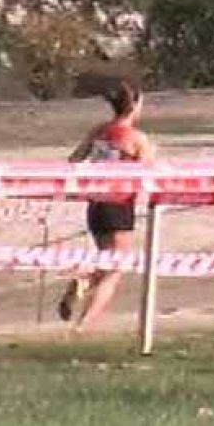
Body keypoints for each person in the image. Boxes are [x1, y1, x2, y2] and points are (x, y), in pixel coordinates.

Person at [59, 78, 153, 331]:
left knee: (107, 259)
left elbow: (75, 159)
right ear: (134, 105)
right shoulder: (137, 139)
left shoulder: (99, 131)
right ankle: (83, 325)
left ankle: (83, 283)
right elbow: (150, 173)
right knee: (116, 269)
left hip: (96, 204)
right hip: (119, 205)